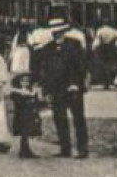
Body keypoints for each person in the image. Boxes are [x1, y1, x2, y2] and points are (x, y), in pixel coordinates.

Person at [36, 17, 90, 158]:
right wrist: (46, 89)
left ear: (65, 31)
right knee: (59, 118)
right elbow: (44, 71)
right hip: (56, 89)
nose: (57, 34)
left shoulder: (74, 45)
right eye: (55, 32)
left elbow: (81, 66)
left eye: (60, 32)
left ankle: (82, 148)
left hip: (73, 87)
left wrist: (76, 83)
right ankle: (65, 148)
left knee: (78, 117)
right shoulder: (47, 48)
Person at [9, 71, 43, 159]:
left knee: (27, 133)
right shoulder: (16, 92)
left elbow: (39, 102)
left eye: (27, 81)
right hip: (22, 115)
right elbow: (19, 103)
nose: (25, 83)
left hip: (30, 115)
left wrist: (37, 94)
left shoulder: (31, 91)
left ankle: (26, 149)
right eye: (23, 81)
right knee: (24, 132)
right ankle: (23, 150)